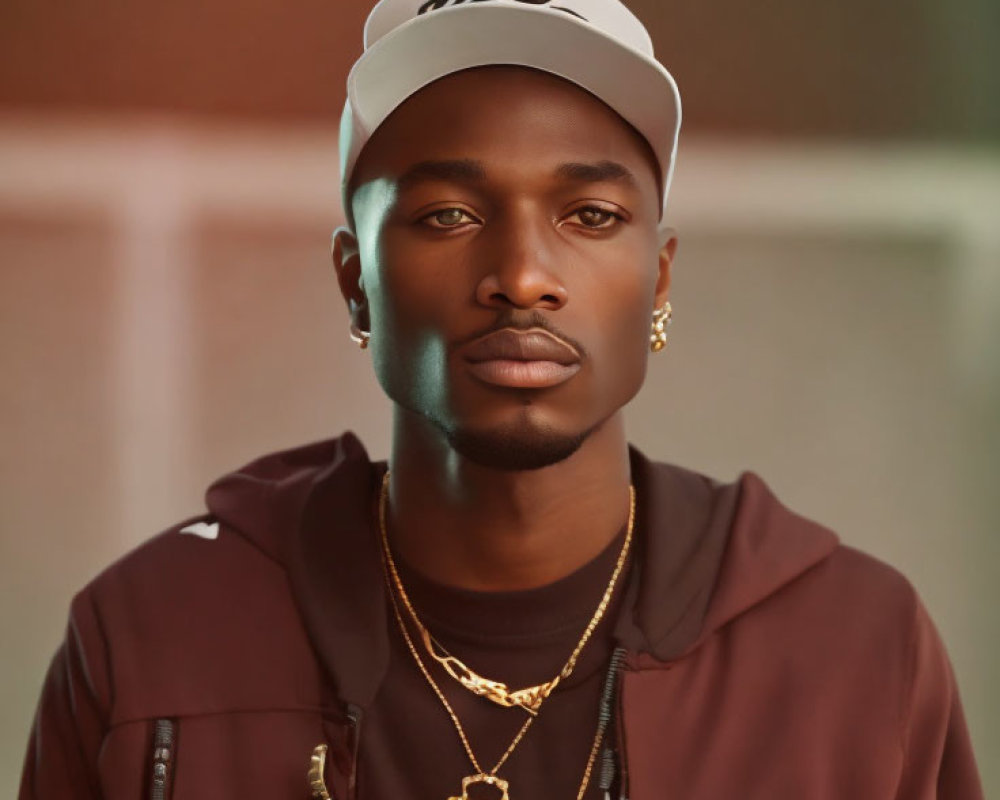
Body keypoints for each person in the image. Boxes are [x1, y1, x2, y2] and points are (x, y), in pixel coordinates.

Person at [20, 0, 984, 798]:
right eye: (449, 214)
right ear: (355, 281)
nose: (523, 275)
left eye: (590, 216)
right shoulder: (153, 634)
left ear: (658, 281)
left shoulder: (853, 649)